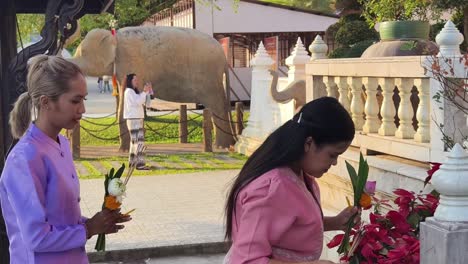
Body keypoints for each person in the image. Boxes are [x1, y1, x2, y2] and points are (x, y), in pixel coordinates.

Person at [0, 55, 131, 263]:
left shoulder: (62, 144)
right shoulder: (25, 158)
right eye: (75, 100)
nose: (83, 109)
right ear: (46, 102)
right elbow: (36, 238)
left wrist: (100, 222)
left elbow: (61, 220)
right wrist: (88, 229)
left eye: (84, 99)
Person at [224, 97, 359, 264]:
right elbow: (246, 260)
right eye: (332, 155)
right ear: (309, 143)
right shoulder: (270, 190)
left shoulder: (299, 176)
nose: (334, 163)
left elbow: (290, 226)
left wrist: (335, 222)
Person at [123, 73, 152, 170]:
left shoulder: (133, 92)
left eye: (137, 80)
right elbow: (138, 102)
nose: (137, 82)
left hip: (136, 119)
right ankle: (140, 164)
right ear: (130, 81)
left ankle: (132, 162)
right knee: (139, 142)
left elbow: (144, 101)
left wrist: (147, 92)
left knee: (134, 142)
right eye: (135, 80)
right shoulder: (129, 92)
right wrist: (144, 92)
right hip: (134, 120)